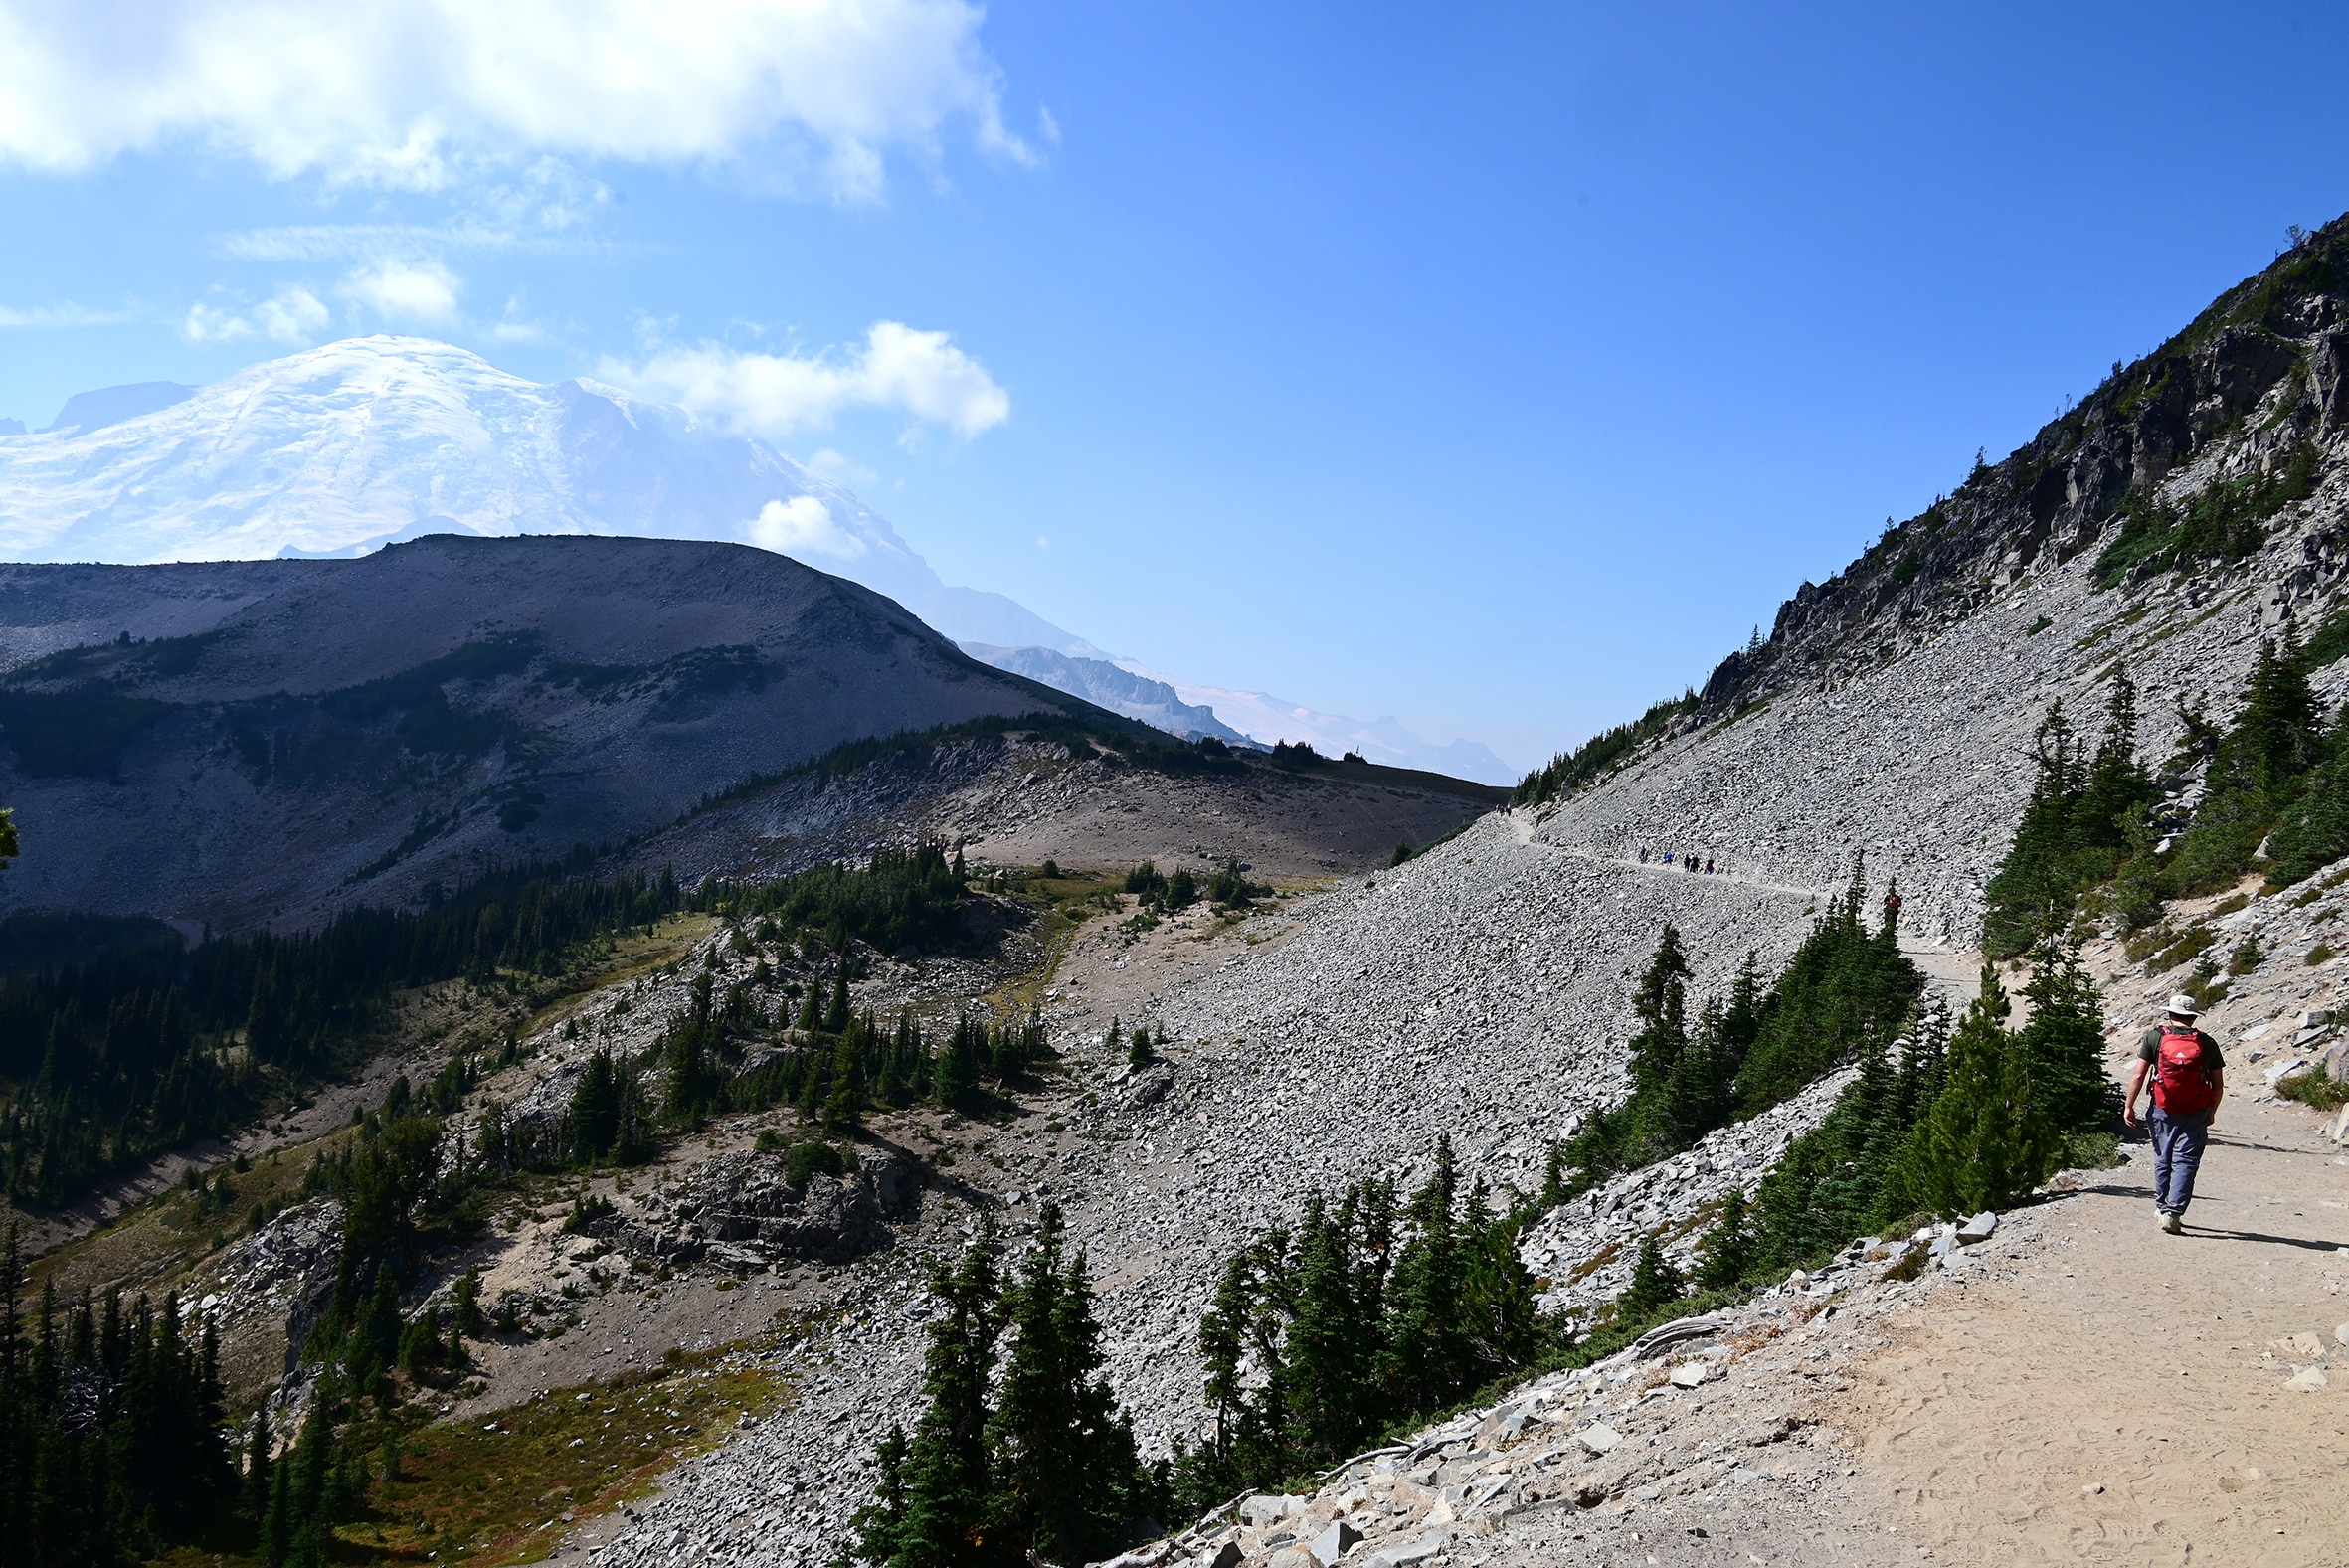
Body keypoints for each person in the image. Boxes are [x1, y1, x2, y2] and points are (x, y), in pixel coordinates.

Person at [2122, 994, 2226, 1234]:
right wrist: (2212, 1111)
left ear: (2170, 1014)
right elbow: (2218, 1084)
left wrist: (2129, 1105)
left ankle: (2161, 1206)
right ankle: (2173, 1212)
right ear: (2192, 1017)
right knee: (2186, 1161)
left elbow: (2138, 1075)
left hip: (2162, 1107)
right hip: (2196, 1109)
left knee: (2163, 1157)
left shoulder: (2155, 1037)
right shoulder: (2206, 1043)